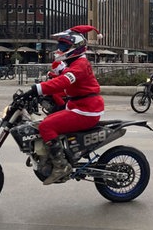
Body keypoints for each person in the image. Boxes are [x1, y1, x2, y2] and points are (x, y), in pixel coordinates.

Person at [24, 25, 105, 185]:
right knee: (42, 123)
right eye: (59, 46)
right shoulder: (74, 63)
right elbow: (59, 76)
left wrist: (37, 89)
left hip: (86, 110)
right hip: (79, 106)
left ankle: (61, 166)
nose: (59, 49)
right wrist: (43, 84)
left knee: (46, 127)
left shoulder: (80, 64)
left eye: (63, 46)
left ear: (74, 47)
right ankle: (47, 155)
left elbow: (65, 80)